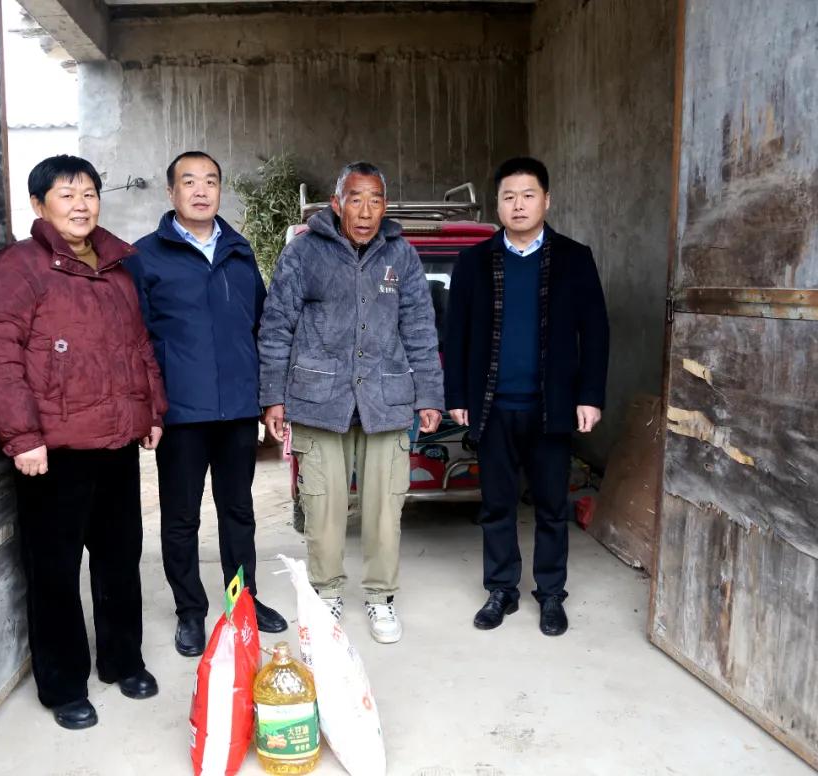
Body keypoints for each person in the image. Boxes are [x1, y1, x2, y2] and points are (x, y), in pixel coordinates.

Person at [0, 155, 167, 730]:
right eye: (66, 195)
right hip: (52, 452)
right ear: (38, 205)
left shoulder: (118, 267)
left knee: (119, 558)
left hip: (116, 443)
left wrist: (151, 410)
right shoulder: (17, 269)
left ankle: (123, 660)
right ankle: (62, 684)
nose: (81, 205)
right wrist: (22, 437)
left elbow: (139, 347)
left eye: (89, 194)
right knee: (54, 570)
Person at [258, 161, 444, 644]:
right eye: (355, 199)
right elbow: (276, 325)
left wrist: (429, 394)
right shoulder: (303, 252)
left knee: (385, 508)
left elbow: (419, 328)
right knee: (323, 507)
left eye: (375, 200)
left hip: (386, 399)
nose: (365, 211)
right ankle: (326, 593)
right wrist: (273, 397)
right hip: (319, 400)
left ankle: (381, 597)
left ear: (386, 205)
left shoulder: (401, 255)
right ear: (336, 203)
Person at [128, 151, 288, 658]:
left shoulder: (239, 252)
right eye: (189, 181)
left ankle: (243, 602)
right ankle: (190, 610)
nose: (201, 190)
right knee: (181, 517)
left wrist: (267, 398)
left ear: (220, 190)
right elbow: (134, 341)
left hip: (237, 409)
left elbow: (261, 328)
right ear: (171, 192)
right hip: (181, 414)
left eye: (211, 181)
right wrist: (150, 409)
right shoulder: (145, 256)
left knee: (238, 511)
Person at [443, 156, 609, 637]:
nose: (518, 205)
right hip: (493, 407)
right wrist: (457, 394)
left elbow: (595, 332)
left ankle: (551, 594)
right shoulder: (473, 262)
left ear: (546, 201)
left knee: (552, 507)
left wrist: (590, 396)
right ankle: (501, 589)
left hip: (550, 407)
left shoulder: (574, 259)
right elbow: (456, 335)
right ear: (497, 204)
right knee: (497, 505)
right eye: (509, 197)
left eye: (528, 195)